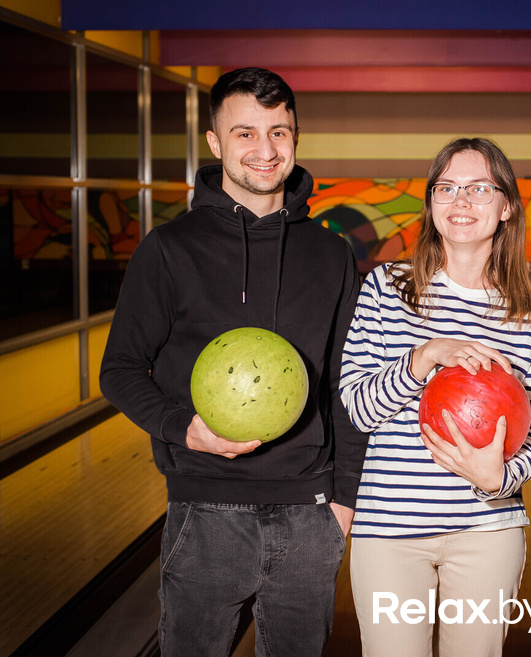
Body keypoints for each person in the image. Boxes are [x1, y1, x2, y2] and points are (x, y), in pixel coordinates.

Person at [99, 67, 367, 657]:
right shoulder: (169, 249)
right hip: (204, 508)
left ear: (295, 138)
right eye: (245, 133)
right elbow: (119, 371)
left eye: (278, 132)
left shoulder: (332, 254)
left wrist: (345, 497)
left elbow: (346, 383)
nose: (265, 150)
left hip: (309, 511)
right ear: (215, 142)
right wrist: (182, 429)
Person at [338, 137, 531, 657]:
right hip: (390, 531)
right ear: (431, 201)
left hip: (487, 532)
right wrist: (426, 356)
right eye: (447, 188)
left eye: (480, 189)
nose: (461, 201)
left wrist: (497, 478)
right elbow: (358, 409)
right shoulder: (386, 288)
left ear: (507, 207)